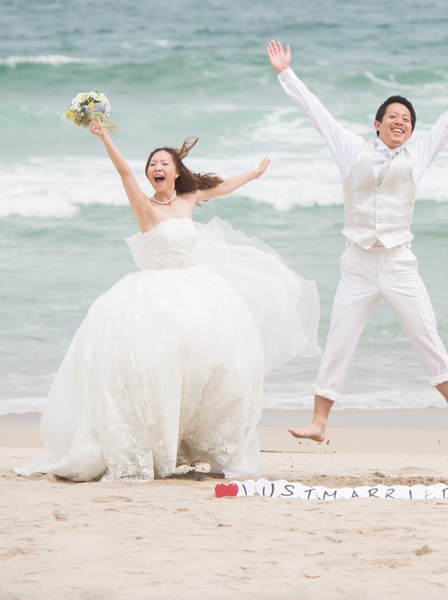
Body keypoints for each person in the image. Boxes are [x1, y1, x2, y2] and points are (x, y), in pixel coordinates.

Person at [16, 119, 319, 482]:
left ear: (176, 172)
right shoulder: (144, 206)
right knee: (154, 369)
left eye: (164, 164)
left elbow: (222, 187)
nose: (156, 168)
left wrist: (255, 173)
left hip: (197, 289)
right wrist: (104, 137)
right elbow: (123, 171)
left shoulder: (190, 197)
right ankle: (154, 443)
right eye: (152, 165)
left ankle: (194, 442)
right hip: (152, 293)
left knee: (218, 362)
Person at [266, 39, 448, 442]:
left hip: (398, 263)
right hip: (356, 264)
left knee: (427, 333)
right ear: (377, 124)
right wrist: (286, 72)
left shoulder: (418, 156)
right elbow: (316, 113)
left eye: (406, 119)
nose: (400, 122)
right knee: (339, 340)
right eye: (393, 116)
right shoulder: (350, 150)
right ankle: (318, 423)